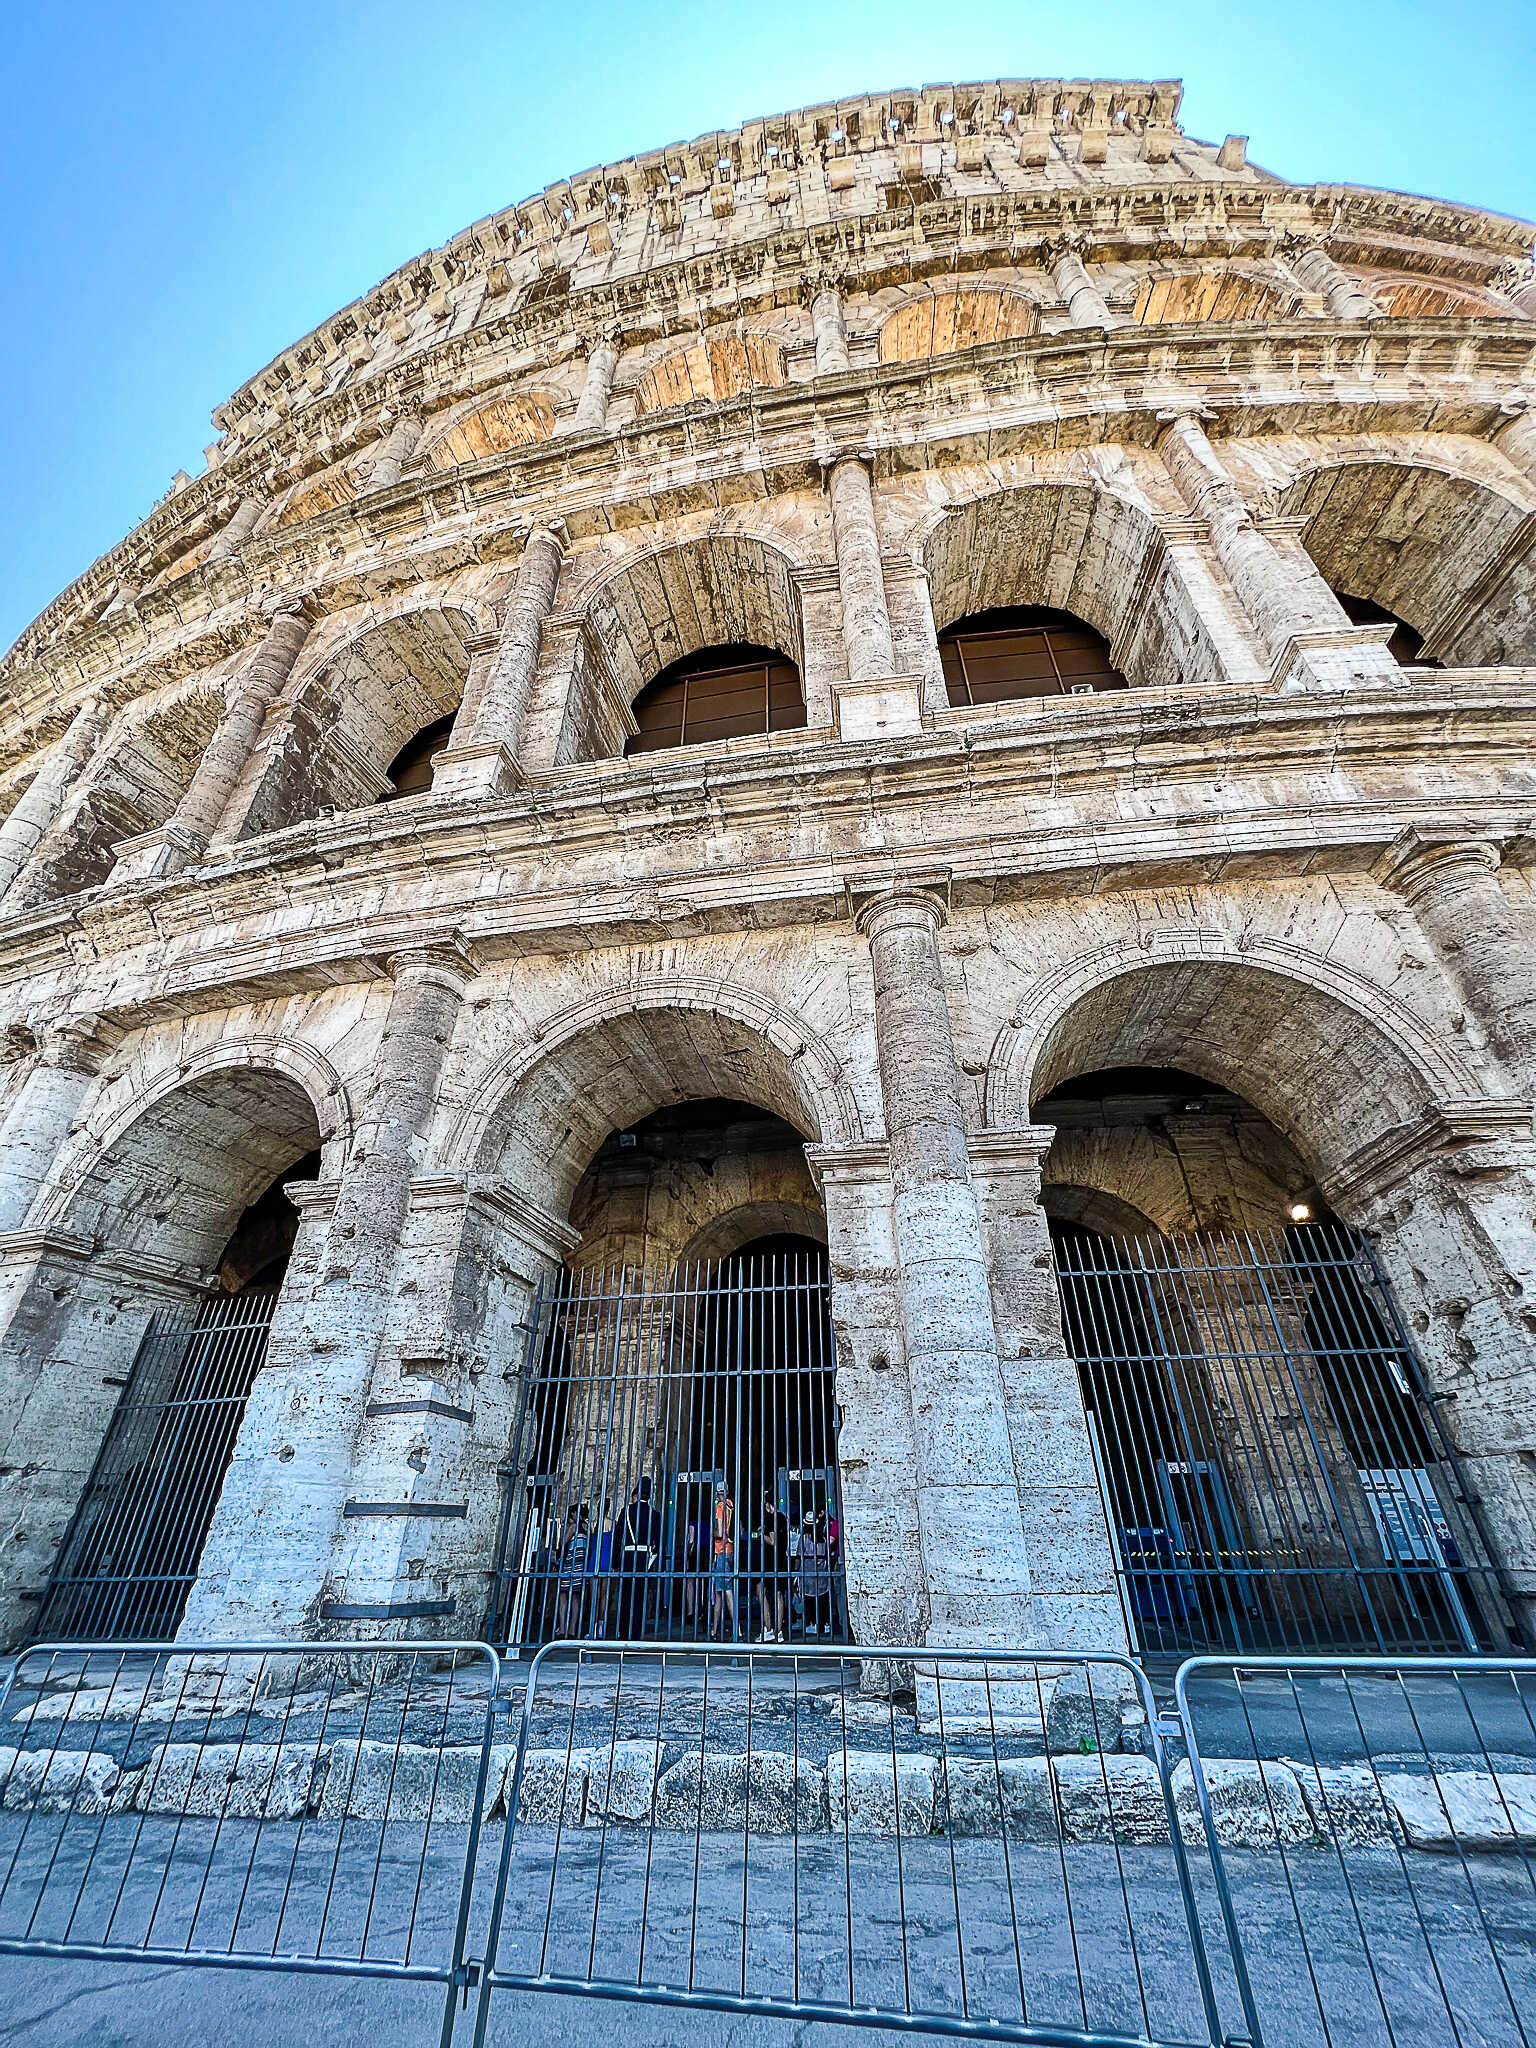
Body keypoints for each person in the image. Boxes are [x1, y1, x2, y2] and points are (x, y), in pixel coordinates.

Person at [617, 1477, 660, 1640]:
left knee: (626, 1596)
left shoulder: (626, 1511)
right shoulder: (654, 1515)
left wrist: (615, 1561)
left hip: (628, 1555)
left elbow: (618, 1536)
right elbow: (658, 1541)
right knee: (640, 1597)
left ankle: (623, 1633)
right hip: (644, 1557)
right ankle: (635, 1634)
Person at [755, 1492, 789, 1642]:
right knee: (779, 1594)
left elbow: (772, 1541)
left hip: (771, 1561)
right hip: (782, 1559)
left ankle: (769, 1628)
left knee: (762, 1590)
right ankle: (778, 1630)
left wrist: (760, 1534)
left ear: (768, 1505)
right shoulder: (782, 1517)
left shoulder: (770, 1518)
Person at [554, 1503, 590, 1640]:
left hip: (570, 1564)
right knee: (576, 1598)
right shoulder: (586, 1528)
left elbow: (562, 1544)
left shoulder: (573, 1527)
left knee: (563, 1596)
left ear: (575, 1514)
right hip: (581, 1566)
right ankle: (572, 1629)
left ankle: (562, 1627)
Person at [709, 1480, 736, 1641]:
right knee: (719, 1591)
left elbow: (719, 1532)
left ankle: (736, 1629)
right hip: (730, 1551)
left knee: (726, 1591)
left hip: (721, 1551)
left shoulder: (720, 1508)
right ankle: (714, 1629)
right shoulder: (731, 1506)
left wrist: (711, 1532)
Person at [798, 1512, 831, 1638]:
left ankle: (813, 1623)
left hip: (808, 1573)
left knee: (809, 1600)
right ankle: (825, 1623)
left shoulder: (804, 1538)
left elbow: (799, 1555)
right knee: (822, 1599)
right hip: (822, 1573)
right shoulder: (823, 1538)